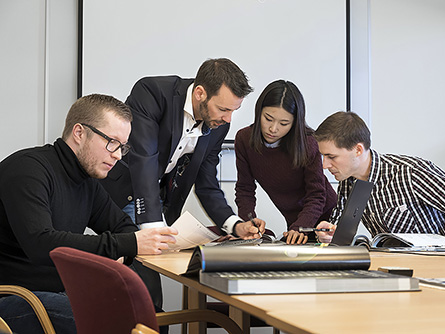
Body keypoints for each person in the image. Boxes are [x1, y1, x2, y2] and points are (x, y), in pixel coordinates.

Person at [0, 94, 177, 334]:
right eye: (111, 142)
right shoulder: (28, 170)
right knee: (124, 323)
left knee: (155, 319)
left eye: (123, 147)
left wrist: (125, 247)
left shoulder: (88, 182)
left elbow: (123, 227)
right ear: (79, 133)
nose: (118, 155)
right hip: (14, 295)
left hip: (61, 291)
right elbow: (42, 244)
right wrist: (125, 245)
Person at [99, 58, 263, 307]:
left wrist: (234, 225)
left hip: (160, 202)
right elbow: (143, 161)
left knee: (146, 289)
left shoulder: (217, 125)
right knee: (145, 289)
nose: (229, 119)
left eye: (233, 111)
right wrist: (154, 229)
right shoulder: (152, 93)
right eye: (223, 109)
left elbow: (207, 182)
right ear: (200, 93)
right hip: (125, 193)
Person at [313, 111, 445, 249]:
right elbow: (338, 233)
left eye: (331, 156)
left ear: (358, 150)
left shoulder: (409, 173)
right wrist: (328, 234)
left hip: (429, 270)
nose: (325, 165)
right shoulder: (348, 181)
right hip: (388, 270)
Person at [234, 80, 337, 244]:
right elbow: (244, 189)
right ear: (259, 111)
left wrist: (300, 227)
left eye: (284, 123)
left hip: (326, 218)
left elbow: (317, 195)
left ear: (295, 122)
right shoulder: (244, 140)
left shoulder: (309, 143)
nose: (273, 129)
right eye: (268, 118)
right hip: (296, 226)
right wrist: (249, 222)